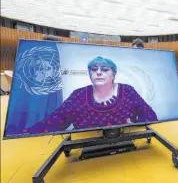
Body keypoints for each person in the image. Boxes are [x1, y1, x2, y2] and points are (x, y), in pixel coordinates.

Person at [23, 56, 157, 134]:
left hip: (127, 145)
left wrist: (134, 125)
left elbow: (150, 115)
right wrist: (25, 133)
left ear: (113, 74)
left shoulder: (127, 91)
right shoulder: (78, 95)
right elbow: (55, 121)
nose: (98, 73)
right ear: (89, 74)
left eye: (104, 70)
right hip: (85, 148)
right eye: (94, 70)